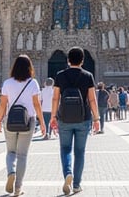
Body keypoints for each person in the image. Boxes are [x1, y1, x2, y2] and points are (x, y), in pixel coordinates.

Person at [49, 46, 100, 195]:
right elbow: (92, 99)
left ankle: (67, 174)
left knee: (65, 149)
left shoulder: (60, 75)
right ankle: (77, 184)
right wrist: (96, 118)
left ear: (68, 60)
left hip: (64, 117)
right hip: (83, 118)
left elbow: (55, 98)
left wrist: (53, 116)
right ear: (82, 60)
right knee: (80, 152)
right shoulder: (88, 75)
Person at [0, 55, 45, 197]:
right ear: (30, 68)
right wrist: (42, 122)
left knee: (11, 152)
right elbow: (36, 104)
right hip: (28, 120)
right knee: (22, 155)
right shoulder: (33, 83)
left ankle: (11, 171)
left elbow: (3, 105)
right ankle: (18, 188)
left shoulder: (7, 83)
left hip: (10, 121)